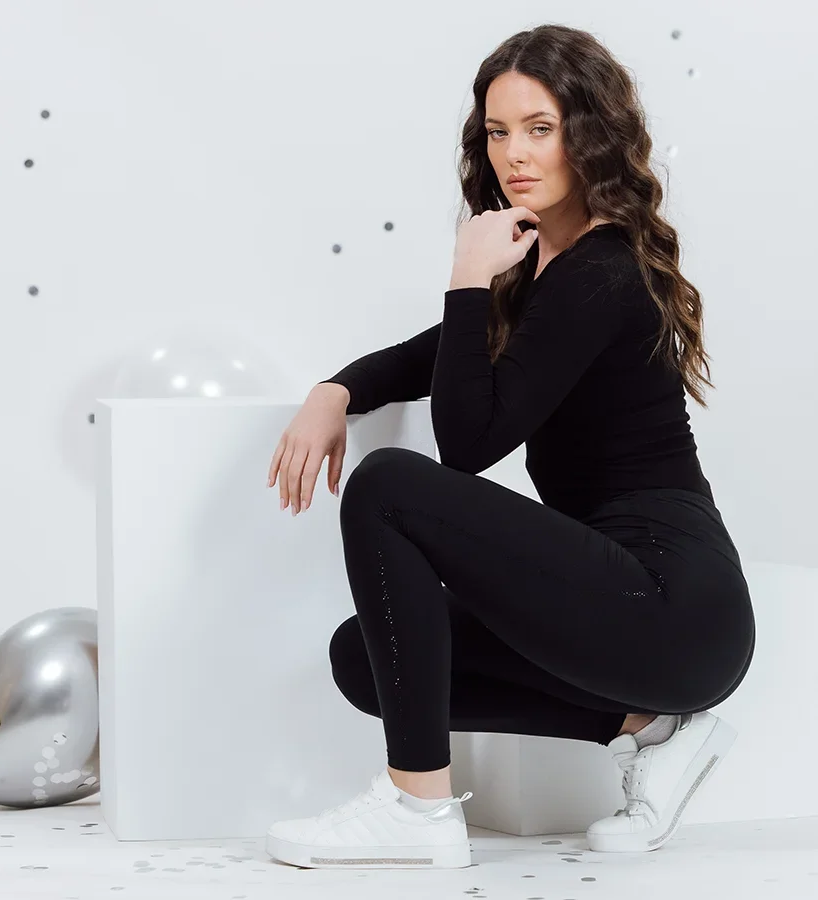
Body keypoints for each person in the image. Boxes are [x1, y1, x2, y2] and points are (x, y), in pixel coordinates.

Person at [263, 23, 755, 869]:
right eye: (497, 131)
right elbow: (423, 360)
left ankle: (417, 807)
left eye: (540, 128)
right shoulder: (543, 272)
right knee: (365, 660)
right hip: (631, 613)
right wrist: (333, 390)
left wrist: (467, 274)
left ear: (588, 132)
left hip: (674, 604)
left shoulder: (602, 273)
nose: (514, 155)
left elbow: (466, 444)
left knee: (387, 485)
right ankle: (649, 728)